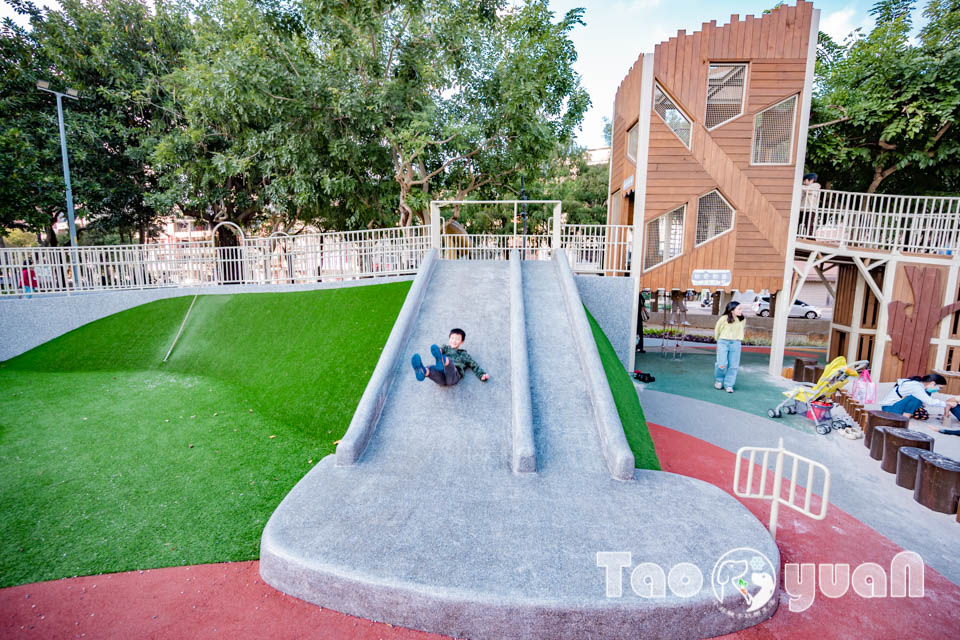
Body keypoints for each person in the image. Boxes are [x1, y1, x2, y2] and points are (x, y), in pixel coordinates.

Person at [879, 373, 960, 434]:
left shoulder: (921, 386)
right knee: (916, 398)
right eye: (939, 387)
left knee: (922, 413)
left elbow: (926, 401)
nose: (938, 390)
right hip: (889, 408)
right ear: (932, 383)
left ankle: (905, 417)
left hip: (898, 406)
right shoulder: (916, 387)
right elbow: (930, 402)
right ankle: (905, 419)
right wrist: (947, 403)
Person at [411, 328, 490, 386]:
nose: (454, 341)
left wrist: (482, 374)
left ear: (462, 342)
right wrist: (440, 350)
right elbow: (440, 349)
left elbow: (474, 365)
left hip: (453, 376)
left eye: (457, 339)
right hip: (441, 377)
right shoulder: (446, 347)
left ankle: (442, 360)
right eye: (452, 338)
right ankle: (423, 371)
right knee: (432, 369)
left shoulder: (464, 354)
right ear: (449, 339)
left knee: (450, 363)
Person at [714, 301, 745, 393]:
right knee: (721, 364)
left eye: (741, 308)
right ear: (732, 310)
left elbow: (741, 330)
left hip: (736, 343)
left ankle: (729, 385)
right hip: (723, 342)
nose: (741, 310)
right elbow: (717, 330)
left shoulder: (742, 319)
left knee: (733, 366)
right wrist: (718, 341)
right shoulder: (723, 319)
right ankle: (719, 381)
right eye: (739, 309)